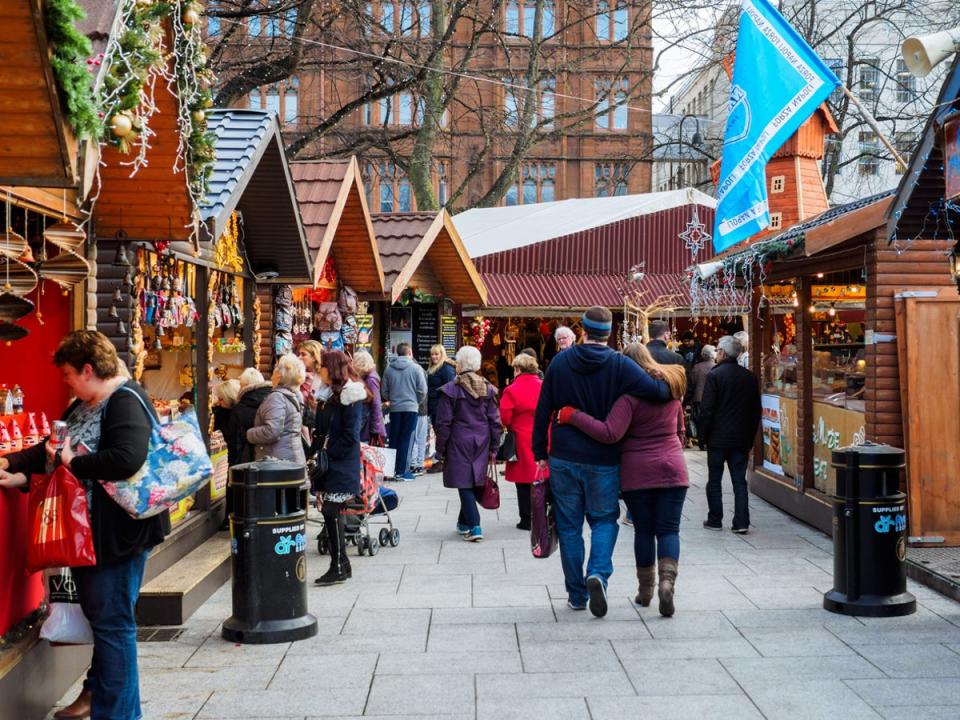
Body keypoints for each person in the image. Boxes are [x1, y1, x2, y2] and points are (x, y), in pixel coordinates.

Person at [0, 331, 169, 720]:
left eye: (68, 374)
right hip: (94, 536)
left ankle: (120, 714)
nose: (65, 382)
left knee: (113, 625)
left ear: (88, 369)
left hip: (117, 537)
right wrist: (14, 467)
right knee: (107, 622)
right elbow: (52, 446)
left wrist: (72, 462)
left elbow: (126, 458)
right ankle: (104, 700)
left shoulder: (124, 401)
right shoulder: (87, 403)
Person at [533, 306, 670, 617]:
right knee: (605, 520)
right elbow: (658, 393)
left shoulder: (560, 362)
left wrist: (539, 453)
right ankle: (597, 573)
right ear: (609, 333)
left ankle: (577, 595)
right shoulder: (620, 364)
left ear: (582, 330)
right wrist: (663, 377)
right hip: (604, 458)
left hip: (564, 457)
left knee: (568, 527)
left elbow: (543, 410)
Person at [557, 342, 689, 618]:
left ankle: (646, 591)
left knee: (644, 531)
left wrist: (574, 416)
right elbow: (681, 433)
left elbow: (609, 433)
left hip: (638, 471)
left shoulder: (629, 398)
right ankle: (668, 584)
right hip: (674, 468)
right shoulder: (672, 391)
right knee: (668, 530)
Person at [434, 346, 501, 543]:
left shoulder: (452, 390)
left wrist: (440, 449)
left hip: (458, 439)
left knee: (464, 481)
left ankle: (474, 525)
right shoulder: (487, 388)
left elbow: (443, 423)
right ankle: (463, 523)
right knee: (472, 480)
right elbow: (495, 421)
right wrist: (495, 445)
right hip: (482, 439)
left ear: (460, 365)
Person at [311, 350, 366, 586]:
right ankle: (342, 564)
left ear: (331, 369)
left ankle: (339, 565)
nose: (318, 370)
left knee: (331, 511)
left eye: (321, 366)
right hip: (328, 465)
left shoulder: (350, 397)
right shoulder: (327, 396)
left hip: (342, 465)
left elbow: (351, 436)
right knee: (330, 512)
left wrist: (326, 448)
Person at [699, 335, 761, 534]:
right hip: (741, 437)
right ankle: (741, 521)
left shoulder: (715, 375)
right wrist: (751, 437)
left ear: (723, 353)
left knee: (714, 479)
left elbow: (707, 410)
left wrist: (703, 437)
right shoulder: (749, 377)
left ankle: (715, 519)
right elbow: (755, 411)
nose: (716, 353)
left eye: (717, 350)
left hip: (717, 438)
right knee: (739, 480)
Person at [500, 352, 544, 530]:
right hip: (543, 435)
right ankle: (542, 514)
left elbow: (505, 417)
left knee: (523, 481)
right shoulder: (544, 386)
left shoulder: (511, 389)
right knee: (542, 477)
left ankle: (526, 518)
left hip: (521, 437)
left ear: (518, 369)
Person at [246, 353, 306, 464]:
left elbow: (272, 432)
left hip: (277, 463)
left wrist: (249, 433)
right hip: (290, 459)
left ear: (279, 375)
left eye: (275, 369)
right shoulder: (294, 395)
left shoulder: (277, 397)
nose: (272, 375)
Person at [381, 343, 427, 480]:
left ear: (398, 353)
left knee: (394, 438)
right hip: (411, 408)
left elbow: (384, 391)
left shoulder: (389, 369)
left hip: (395, 408)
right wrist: (415, 401)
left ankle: (391, 470)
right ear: (410, 353)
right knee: (407, 439)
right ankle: (402, 471)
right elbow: (422, 390)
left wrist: (392, 399)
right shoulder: (416, 368)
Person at [227, 368, 272, 466]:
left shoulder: (240, 408)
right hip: (271, 459)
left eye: (241, 385)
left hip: (247, 462)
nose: (239, 389)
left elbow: (235, 444)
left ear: (246, 386)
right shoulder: (273, 401)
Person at [426, 345, 456, 470]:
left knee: (443, 432)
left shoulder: (446, 368)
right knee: (439, 433)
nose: (434, 357)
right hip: (434, 405)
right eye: (432, 354)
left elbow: (451, 388)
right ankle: (443, 459)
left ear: (442, 354)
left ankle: (444, 460)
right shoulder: (433, 368)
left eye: (436, 354)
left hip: (441, 406)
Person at [352, 350, 385, 445]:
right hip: (367, 421)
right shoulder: (369, 376)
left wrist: (375, 429)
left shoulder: (371, 379)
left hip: (367, 423)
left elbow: (376, 404)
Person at [687, 345, 716, 451]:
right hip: (713, 399)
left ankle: (701, 442)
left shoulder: (696, 367)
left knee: (700, 421)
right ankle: (709, 442)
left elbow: (691, 385)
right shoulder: (716, 367)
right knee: (712, 421)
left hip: (698, 399)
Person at [298, 340, 324, 444]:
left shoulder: (324, 377)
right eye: (299, 354)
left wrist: (318, 406)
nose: (299, 357)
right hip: (300, 428)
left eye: (303, 354)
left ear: (314, 357)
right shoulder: (297, 374)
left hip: (318, 427)